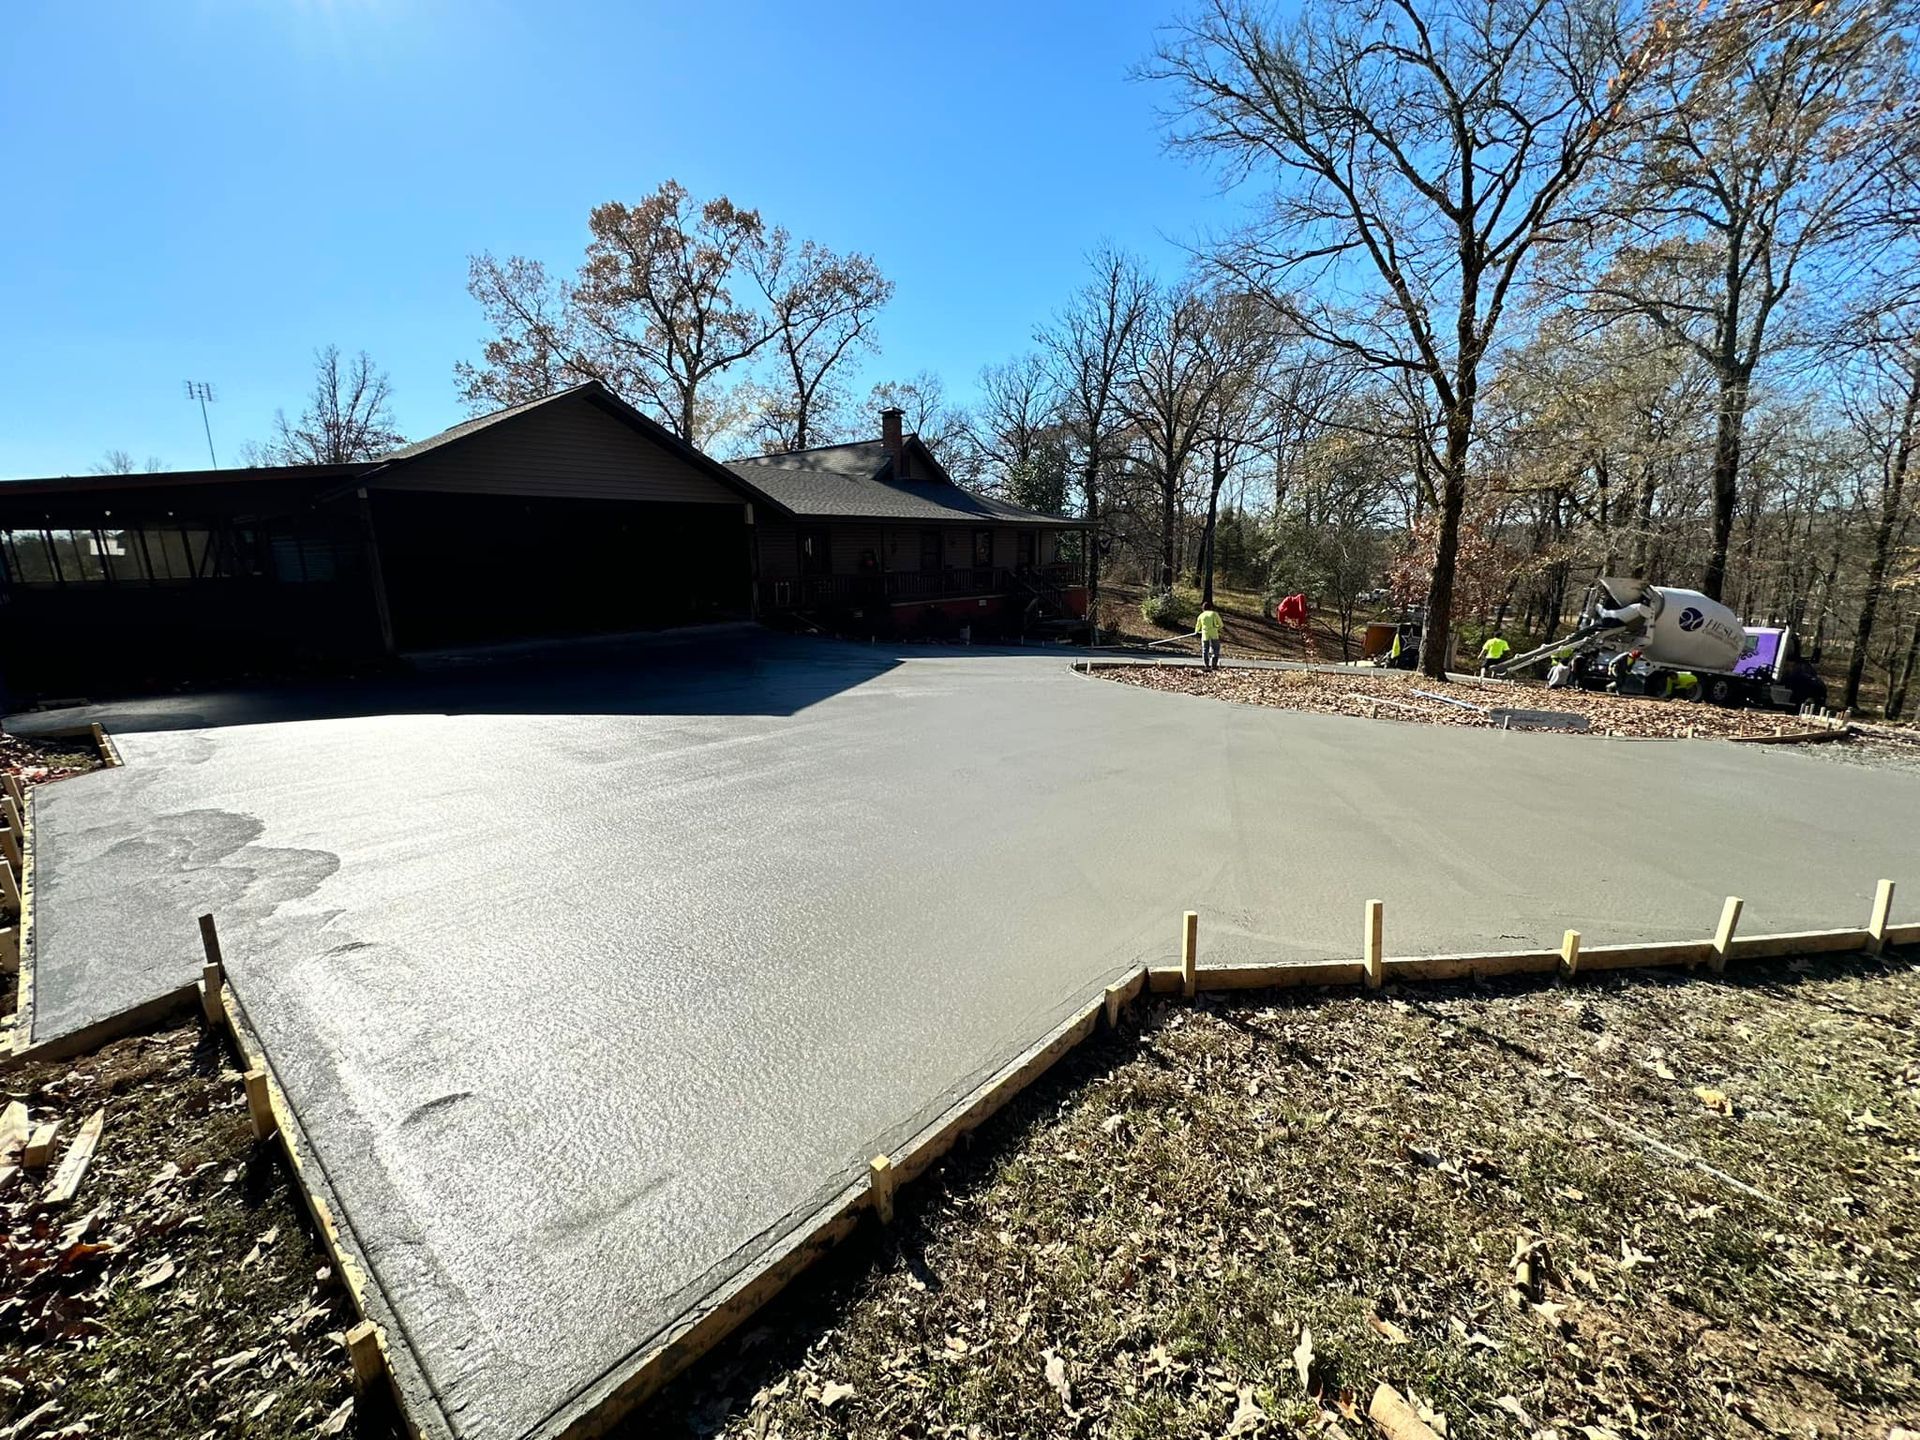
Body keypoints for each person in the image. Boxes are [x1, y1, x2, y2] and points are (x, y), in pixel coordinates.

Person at [1196, 604, 1224, 670]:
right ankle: (1214, 664)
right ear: (1210, 608)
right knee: (1215, 649)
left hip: (1205, 634)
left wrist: (1198, 631)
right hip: (1214, 634)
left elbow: (1197, 628)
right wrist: (1217, 627)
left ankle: (1206, 665)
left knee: (1205, 649)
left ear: (1203, 609)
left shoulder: (1201, 615)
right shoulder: (1214, 614)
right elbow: (1221, 625)